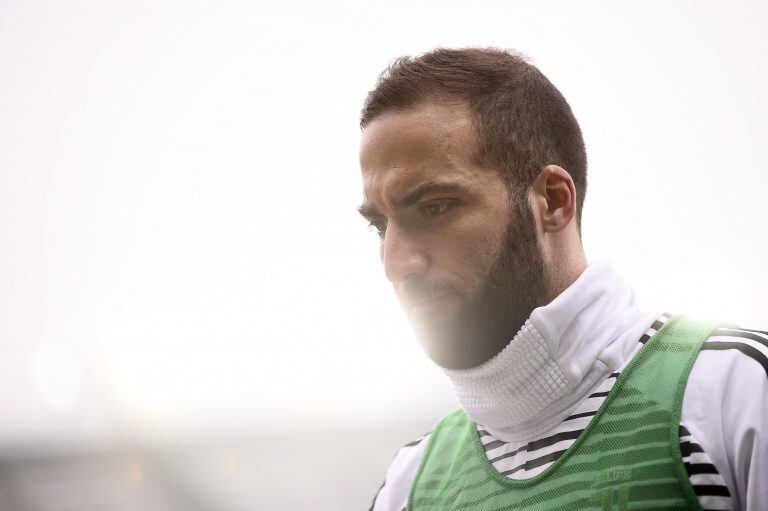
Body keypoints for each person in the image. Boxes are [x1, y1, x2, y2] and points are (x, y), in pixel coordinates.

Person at [357, 48, 767, 511]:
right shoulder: (410, 486)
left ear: (552, 201)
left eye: (434, 208)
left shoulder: (737, 395)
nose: (395, 263)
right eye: (380, 225)